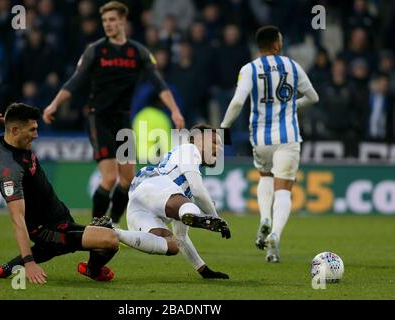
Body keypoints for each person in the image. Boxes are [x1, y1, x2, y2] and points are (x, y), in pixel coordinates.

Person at [43, 1, 185, 226]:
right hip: (99, 119)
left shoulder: (138, 52)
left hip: (123, 121)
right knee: (109, 177)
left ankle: (114, 223)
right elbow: (75, 81)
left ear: (122, 22)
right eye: (104, 21)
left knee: (128, 180)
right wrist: (54, 104)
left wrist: (175, 111)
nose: (107, 24)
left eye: (112, 20)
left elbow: (158, 84)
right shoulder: (95, 50)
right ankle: (95, 227)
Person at [0, 103, 119, 284]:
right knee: (110, 238)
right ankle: (92, 269)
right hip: (47, 228)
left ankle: (6, 268)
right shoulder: (10, 171)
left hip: (57, 216)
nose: (36, 135)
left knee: (53, 248)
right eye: (32, 130)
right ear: (15, 131)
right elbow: (17, 218)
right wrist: (29, 262)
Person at [220, 26, 319, 263]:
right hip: (288, 137)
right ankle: (274, 234)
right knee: (284, 189)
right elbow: (313, 97)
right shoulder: (293, 66)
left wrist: (223, 127)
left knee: (265, 177)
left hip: (261, 138)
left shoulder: (249, 69)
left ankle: (264, 218)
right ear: (276, 44)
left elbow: (237, 103)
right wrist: (291, 106)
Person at [114, 124, 231, 279]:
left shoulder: (181, 188)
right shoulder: (189, 149)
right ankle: (196, 215)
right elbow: (198, 190)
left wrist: (204, 270)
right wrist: (217, 219)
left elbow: (181, 236)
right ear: (200, 140)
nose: (220, 149)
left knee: (172, 245)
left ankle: (114, 231)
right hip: (154, 186)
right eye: (215, 142)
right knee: (189, 207)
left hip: (140, 205)